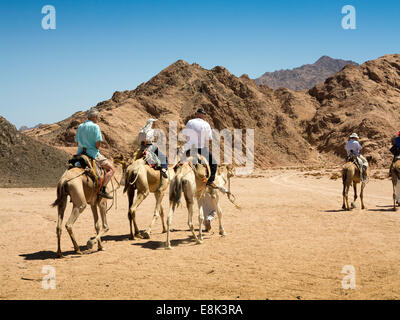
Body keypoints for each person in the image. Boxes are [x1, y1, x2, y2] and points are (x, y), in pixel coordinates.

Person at [75, 108, 115, 199]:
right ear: (95, 117)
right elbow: (97, 144)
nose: (98, 119)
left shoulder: (80, 126)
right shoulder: (95, 126)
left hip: (80, 153)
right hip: (92, 153)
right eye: (97, 117)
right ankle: (103, 190)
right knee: (112, 169)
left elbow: (77, 143)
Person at [181, 108, 218, 188]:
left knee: (178, 162)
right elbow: (209, 138)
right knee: (214, 164)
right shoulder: (206, 124)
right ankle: (210, 181)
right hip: (201, 148)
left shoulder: (190, 122)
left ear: (196, 114)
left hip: (189, 148)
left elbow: (184, 134)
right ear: (203, 116)